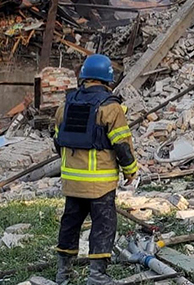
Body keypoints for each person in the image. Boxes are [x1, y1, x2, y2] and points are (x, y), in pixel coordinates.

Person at [54, 54, 139, 285]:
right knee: (104, 225)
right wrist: (130, 170)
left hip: (72, 183)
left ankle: (63, 273)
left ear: (84, 76)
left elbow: (57, 141)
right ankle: (97, 276)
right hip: (100, 184)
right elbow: (122, 144)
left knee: (70, 223)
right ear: (108, 79)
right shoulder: (111, 107)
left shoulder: (66, 105)